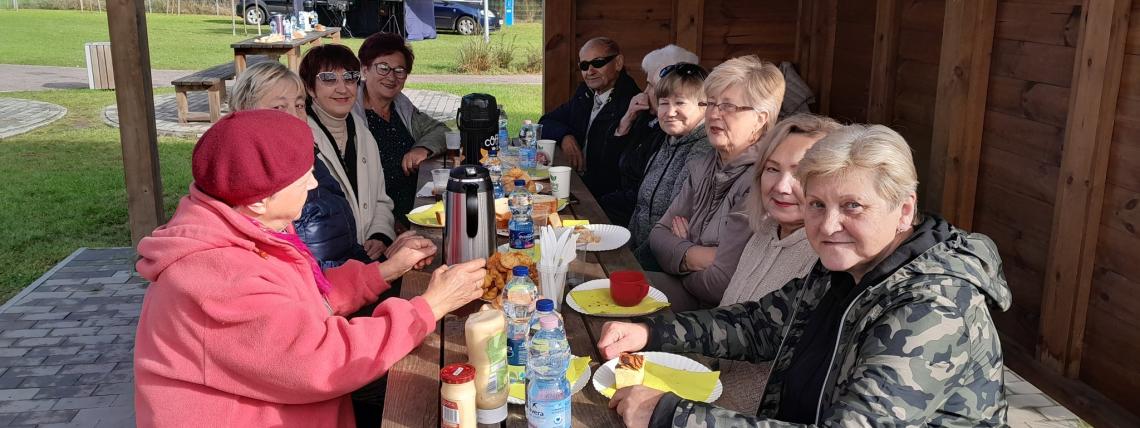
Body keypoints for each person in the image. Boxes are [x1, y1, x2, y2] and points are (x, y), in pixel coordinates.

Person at [597, 124, 1012, 427]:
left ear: (904, 209)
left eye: (852, 206)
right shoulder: (850, 267)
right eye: (817, 205)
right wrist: (651, 333)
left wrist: (672, 415)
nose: (828, 226)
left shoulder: (934, 306)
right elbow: (760, 324)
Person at [134, 109, 488, 427]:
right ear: (259, 200)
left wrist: (384, 271)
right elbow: (321, 362)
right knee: (426, 394)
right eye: (303, 176)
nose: (314, 183)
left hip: (300, 402)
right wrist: (430, 307)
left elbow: (300, 301)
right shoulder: (220, 277)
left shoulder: (249, 227)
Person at [646, 55, 785, 311]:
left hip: (722, 317)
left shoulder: (762, 179)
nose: (713, 114)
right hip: (689, 296)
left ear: (761, 118)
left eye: (728, 107)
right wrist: (697, 254)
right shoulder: (705, 164)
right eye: (711, 103)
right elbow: (657, 236)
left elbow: (722, 282)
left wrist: (679, 256)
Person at [232, 61, 370, 268]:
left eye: (298, 105)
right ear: (244, 112)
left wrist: (381, 264)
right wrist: (380, 272)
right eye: (279, 107)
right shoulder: (248, 177)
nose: (295, 116)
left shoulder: (306, 157)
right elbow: (298, 274)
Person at [718, 113, 841, 306]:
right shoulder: (764, 230)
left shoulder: (827, 257)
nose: (781, 187)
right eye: (772, 169)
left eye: (801, 173)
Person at [300, 44, 397, 261]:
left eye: (350, 78)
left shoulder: (363, 134)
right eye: (329, 79)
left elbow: (381, 199)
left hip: (367, 260)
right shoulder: (302, 140)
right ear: (309, 88)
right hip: (326, 267)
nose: (343, 89)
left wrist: (379, 235)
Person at [352, 33, 450, 227]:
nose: (391, 77)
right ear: (364, 69)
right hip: (377, 219)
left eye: (399, 70)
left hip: (418, 207)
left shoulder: (401, 107)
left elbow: (442, 131)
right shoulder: (351, 113)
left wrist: (422, 149)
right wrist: (388, 225)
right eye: (383, 68)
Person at [600, 44, 702, 227]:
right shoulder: (649, 118)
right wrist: (627, 120)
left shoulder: (678, 134)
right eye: (664, 101)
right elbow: (606, 163)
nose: (645, 92)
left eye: (652, 86)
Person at [625, 63, 713, 269]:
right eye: (663, 103)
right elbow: (640, 208)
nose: (669, 112)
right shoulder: (667, 141)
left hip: (661, 266)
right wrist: (626, 251)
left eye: (680, 103)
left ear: (705, 106)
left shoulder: (703, 151)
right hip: (637, 257)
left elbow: (673, 225)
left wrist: (631, 263)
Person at [539, 36, 641, 198]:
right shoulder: (585, 95)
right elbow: (545, 122)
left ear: (618, 63)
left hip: (603, 196)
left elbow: (615, 166)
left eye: (598, 63)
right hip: (576, 183)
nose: (590, 71)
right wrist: (565, 136)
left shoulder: (631, 104)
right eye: (584, 66)